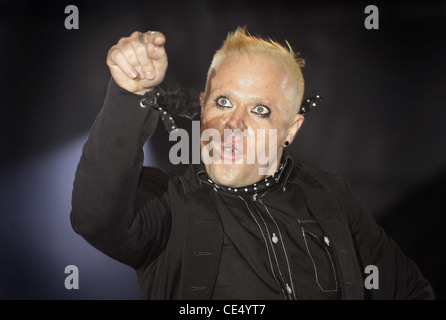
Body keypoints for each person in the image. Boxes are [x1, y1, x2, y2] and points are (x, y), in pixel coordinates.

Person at [70, 27, 434, 300]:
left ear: (290, 129)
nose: (234, 123)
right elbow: (95, 217)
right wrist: (130, 93)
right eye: (224, 102)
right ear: (203, 106)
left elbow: (410, 291)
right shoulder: (168, 199)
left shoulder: (331, 195)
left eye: (260, 110)